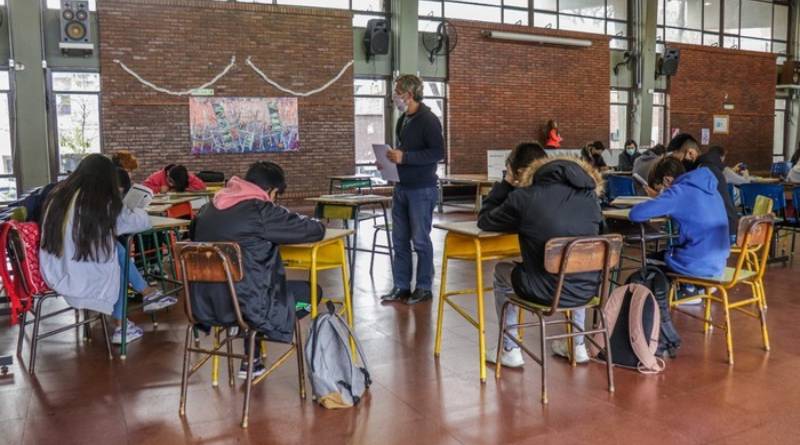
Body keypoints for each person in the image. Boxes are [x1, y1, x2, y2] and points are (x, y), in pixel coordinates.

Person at [191, 161, 326, 377]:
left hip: (206, 304)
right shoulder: (259, 210)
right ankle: (254, 329)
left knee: (248, 286)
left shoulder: (207, 209)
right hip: (249, 306)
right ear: (270, 191)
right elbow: (312, 230)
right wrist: (317, 221)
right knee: (311, 292)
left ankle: (251, 356)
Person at [478, 155, 603, 367]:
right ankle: (578, 344)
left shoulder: (526, 197)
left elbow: (486, 220)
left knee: (501, 270)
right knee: (575, 265)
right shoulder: (591, 199)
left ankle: (510, 348)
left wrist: (506, 182)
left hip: (544, 292)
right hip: (588, 290)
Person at [39, 154, 165, 345]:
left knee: (117, 251)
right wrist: (136, 208)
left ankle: (145, 293)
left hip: (56, 271)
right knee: (117, 264)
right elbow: (139, 222)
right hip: (84, 278)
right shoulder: (100, 201)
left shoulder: (58, 196)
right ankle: (122, 325)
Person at [381, 74, 445, 305]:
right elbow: (403, 151)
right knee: (399, 240)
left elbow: (438, 153)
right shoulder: (402, 120)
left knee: (420, 240)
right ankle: (401, 286)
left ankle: (424, 286)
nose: (394, 96)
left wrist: (405, 157)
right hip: (402, 187)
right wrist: (389, 160)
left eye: (397, 91)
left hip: (422, 189)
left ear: (408, 95)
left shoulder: (428, 120)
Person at [630, 157, 730, 281]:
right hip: (718, 265)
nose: (663, 192)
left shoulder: (678, 192)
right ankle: (691, 289)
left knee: (649, 260)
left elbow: (635, 214)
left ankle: (685, 290)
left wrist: (658, 198)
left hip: (695, 265)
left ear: (667, 180)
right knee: (671, 251)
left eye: (661, 188)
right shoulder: (711, 190)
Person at [696, 145, 738, 239]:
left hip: (713, 223)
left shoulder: (700, 166)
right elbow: (744, 181)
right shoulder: (718, 170)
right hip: (725, 225)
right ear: (721, 157)